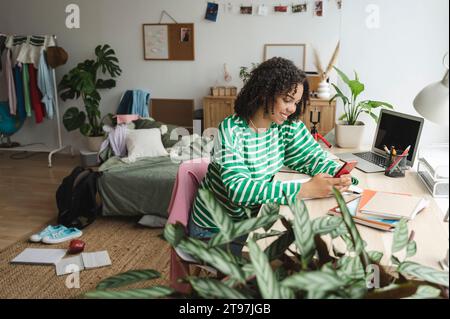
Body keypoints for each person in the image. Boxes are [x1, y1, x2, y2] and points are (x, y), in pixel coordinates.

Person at [189, 57, 351, 255]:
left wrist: (339, 173)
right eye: (287, 100)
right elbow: (238, 190)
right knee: (288, 254)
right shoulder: (231, 130)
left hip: (254, 219)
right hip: (216, 230)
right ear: (265, 93)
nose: (292, 109)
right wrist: (305, 189)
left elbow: (313, 156)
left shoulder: (285, 126)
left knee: (310, 241)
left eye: (296, 102)